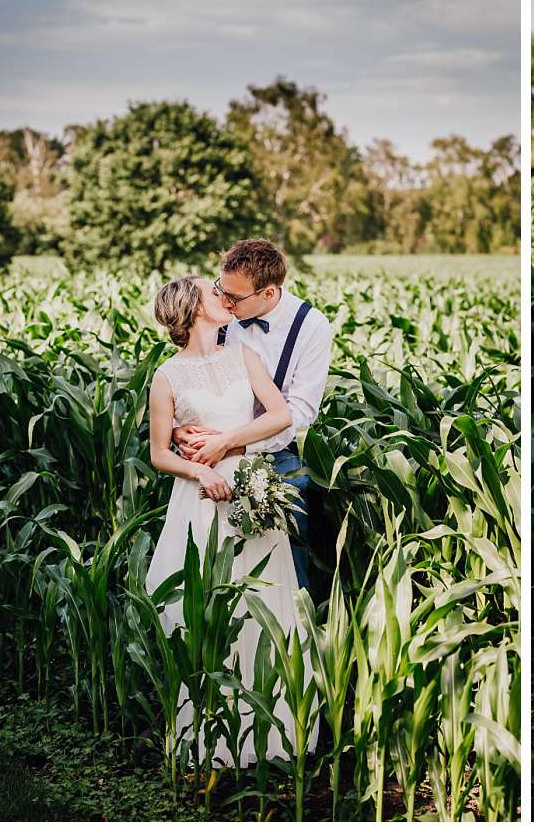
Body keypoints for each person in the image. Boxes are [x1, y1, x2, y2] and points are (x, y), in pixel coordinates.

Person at [146, 275, 317, 767]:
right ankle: (211, 740)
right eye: (211, 292)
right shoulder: (168, 377)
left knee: (265, 603)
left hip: (251, 492)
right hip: (201, 501)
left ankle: (274, 734)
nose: (222, 296)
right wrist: (200, 467)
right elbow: (160, 453)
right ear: (193, 309)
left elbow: (281, 414)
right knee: (210, 609)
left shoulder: (243, 355)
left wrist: (223, 444)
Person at [172, 239, 333, 592]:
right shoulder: (219, 315)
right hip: (208, 456)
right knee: (209, 557)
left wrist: (233, 446)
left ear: (270, 293)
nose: (225, 303)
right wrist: (178, 429)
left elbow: (299, 413)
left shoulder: (311, 328)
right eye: (221, 291)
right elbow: (186, 374)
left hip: (275, 454)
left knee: (287, 558)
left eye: (235, 298)